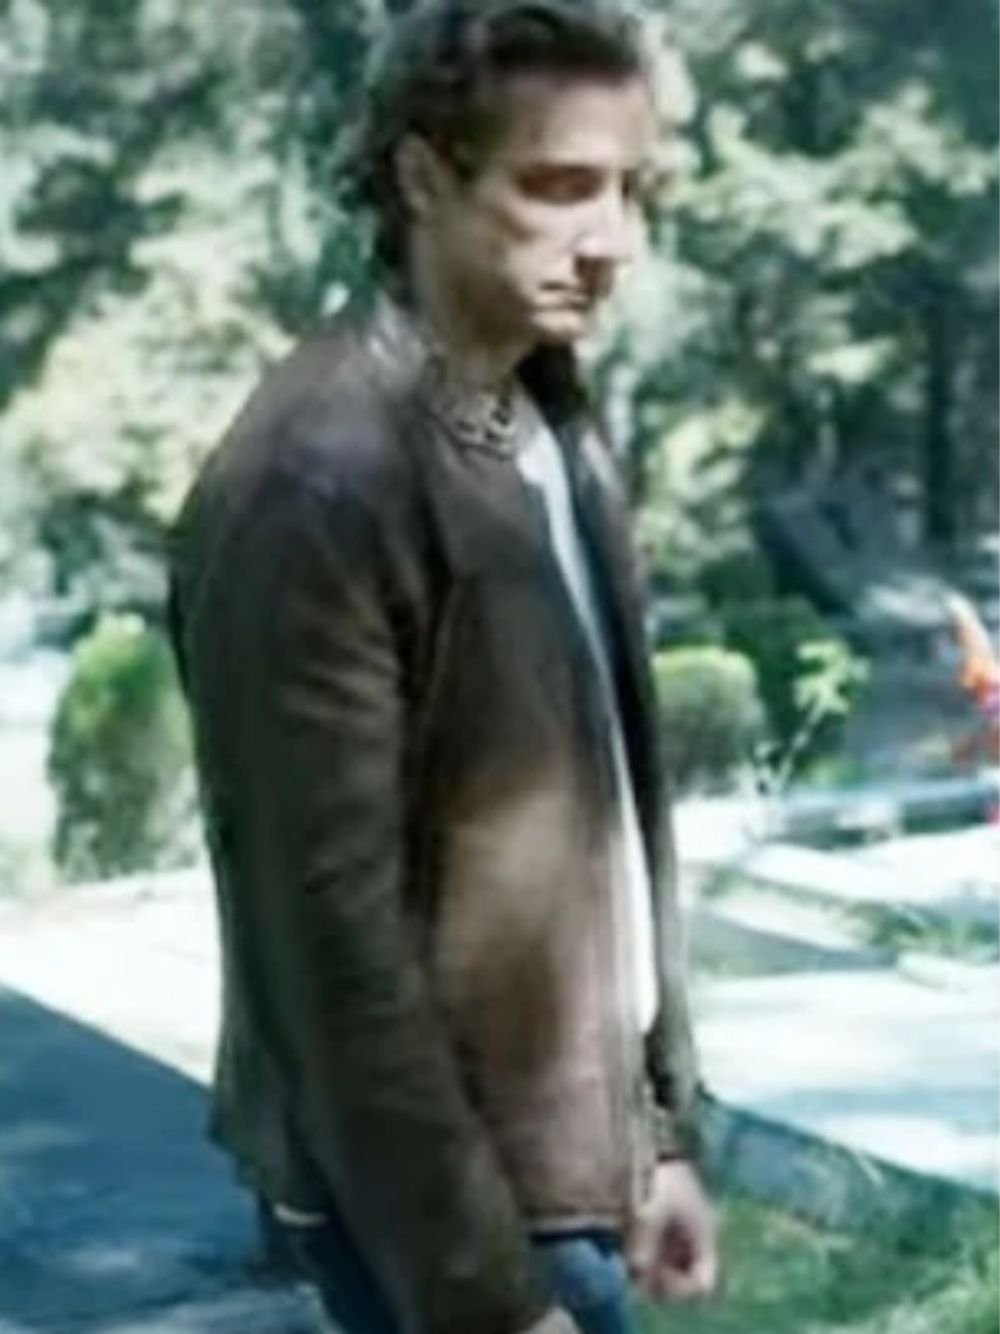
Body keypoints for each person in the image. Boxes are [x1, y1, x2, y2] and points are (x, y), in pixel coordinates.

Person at [167, 3, 719, 1332]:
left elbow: (598, 813)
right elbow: (331, 957)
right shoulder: (316, 483)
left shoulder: (547, 414)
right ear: (422, 176)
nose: (615, 241)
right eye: (560, 186)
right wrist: (486, 1299)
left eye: (632, 189)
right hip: (448, 1215)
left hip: (566, 1179)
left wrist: (658, 1133)